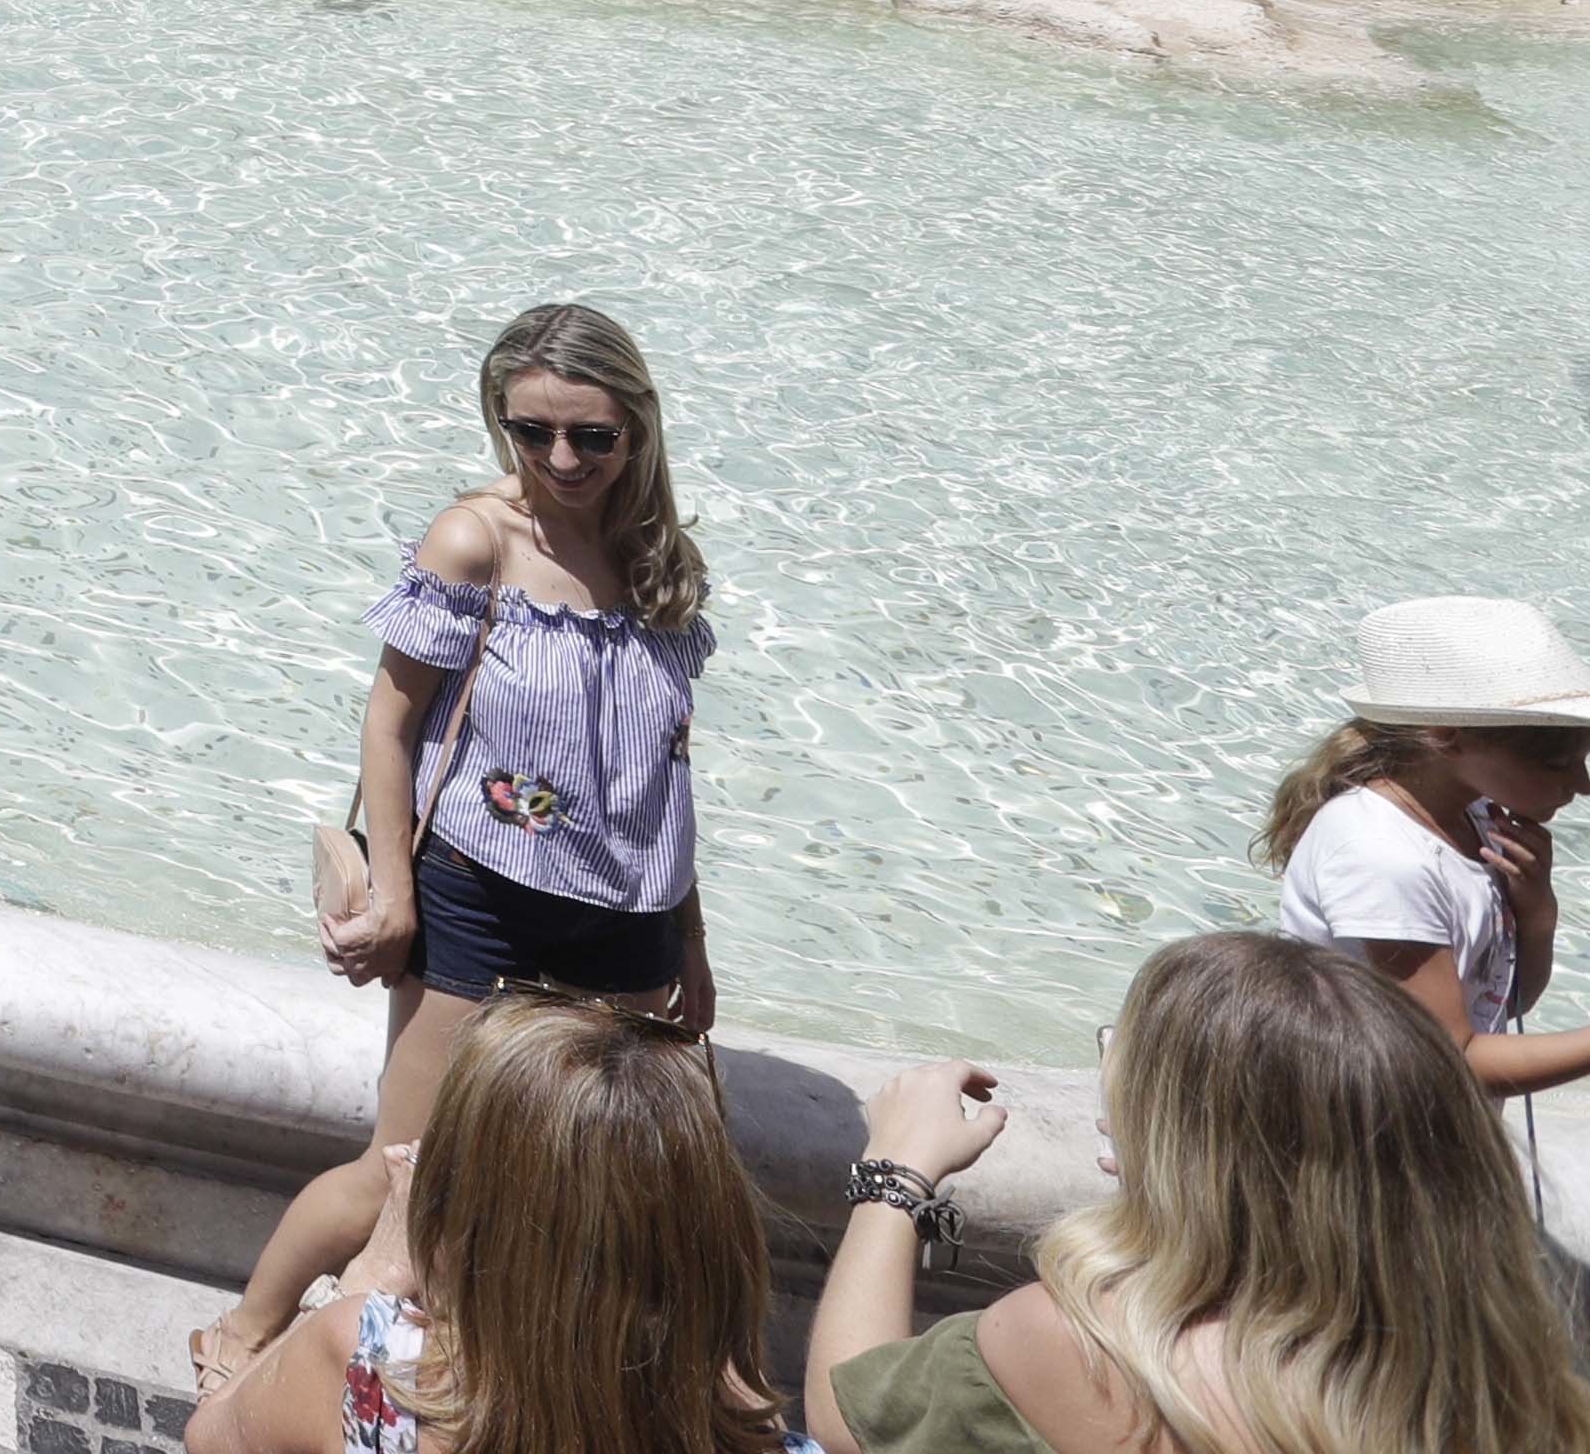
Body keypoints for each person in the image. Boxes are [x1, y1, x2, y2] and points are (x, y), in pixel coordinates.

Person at [200, 302, 715, 1393]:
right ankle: (245, 1335)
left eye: (591, 435)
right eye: (532, 432)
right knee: (405, 1173)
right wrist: (394, 895)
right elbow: (389, 725)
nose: (560, 459)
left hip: (631, 926)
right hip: (485, 901)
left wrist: (691, 943)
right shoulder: (474, 541)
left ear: (637, 429)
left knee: (580, 1187)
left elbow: (665, 771)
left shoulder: (657, 559)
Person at [807, 926, 1590, 1454]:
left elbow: (847, 1416)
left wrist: (894, 1176)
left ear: (1182, 1144)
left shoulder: (1080, 1345)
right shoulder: (1522, 1391)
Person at [189, 1002, 810, 1454]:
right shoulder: (757, 1432)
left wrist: (375, 1270)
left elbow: (213, 1437)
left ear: (466, 1219)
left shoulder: (373, 1364)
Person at [1257, 592, 1590, 1095]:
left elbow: (1504, 1002)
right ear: (1448, 737)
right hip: (1366, 1128)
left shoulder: (1475, 819)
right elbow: (1448, 1064)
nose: (1583, 784)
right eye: (1557, 764)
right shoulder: (1383, 857)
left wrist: (1537, 912)